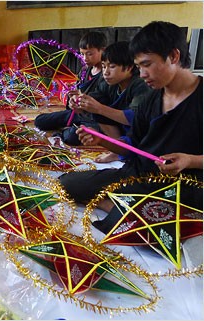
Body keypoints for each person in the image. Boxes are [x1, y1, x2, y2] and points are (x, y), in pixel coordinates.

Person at [59, 21, 203, 233]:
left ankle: (130, 210)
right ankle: (129, 210)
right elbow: (134, 147)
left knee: (174, 220)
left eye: (147, 64)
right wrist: (103, 141)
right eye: (139, 67)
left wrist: (190, 160)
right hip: (142, 174)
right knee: (67, 183)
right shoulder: (150, 99)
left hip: (186, 183)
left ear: (174, 56)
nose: (142, 74)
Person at [70, 41, 152, 162]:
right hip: (121, 129)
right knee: (46, 122)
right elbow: (94, 99)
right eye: (103, 66)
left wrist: (99, 108)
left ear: (129, 67)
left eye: (112, 66)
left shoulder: (140, 84)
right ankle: (118, 149)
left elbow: (136, 118)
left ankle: (124, 150)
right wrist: (79, 104)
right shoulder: (109, 82)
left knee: (72, 134)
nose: (106, 72)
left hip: (140, 135)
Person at [34, 31, 107, 145]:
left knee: (71, 136)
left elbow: (101, 97)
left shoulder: (107, 75)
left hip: (94, 119)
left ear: (103, 50)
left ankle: (65, 132)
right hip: (78, 114)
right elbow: (79, 91)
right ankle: (68, 128)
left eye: (89, 54)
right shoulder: (86, 70)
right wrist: (73, 98)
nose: (84, 58)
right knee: (40, 121)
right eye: (82, 54)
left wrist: (81, 98)